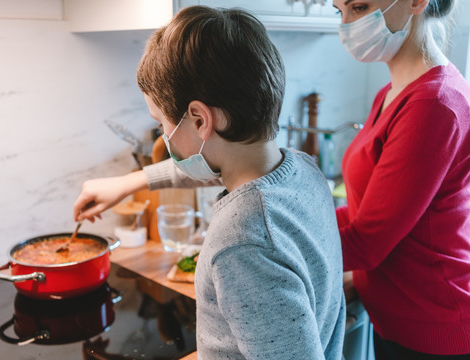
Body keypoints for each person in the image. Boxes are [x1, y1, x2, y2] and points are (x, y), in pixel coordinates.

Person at [74, 6, 346, 360]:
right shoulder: (302, 169)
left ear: (200, 119)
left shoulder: (243, 242)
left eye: (161, 124)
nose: (163, 135)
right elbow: (208, 166)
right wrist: (130, 183)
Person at [333, 0, 470, 358]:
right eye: (339, 11)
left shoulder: (434, 103)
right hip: (397, 318)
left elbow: (367, 243)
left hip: (434, 326)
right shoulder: (392, 92)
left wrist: (273, 243)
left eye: (358, 7)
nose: (346, 25)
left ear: (415, 2)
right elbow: (364, 210)